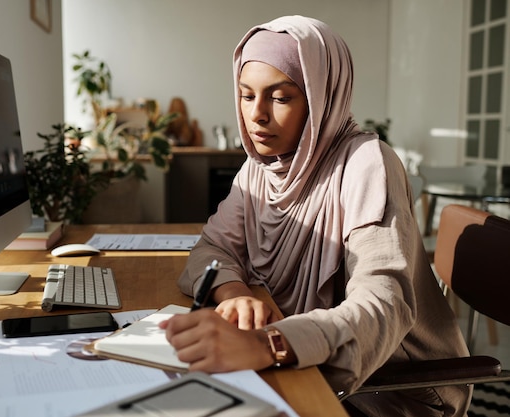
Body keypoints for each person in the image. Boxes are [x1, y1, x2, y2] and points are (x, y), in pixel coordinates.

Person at [159, 15, 471, 417]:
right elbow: (213, 247)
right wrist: (234, 293)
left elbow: (382, 304)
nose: (257, 115)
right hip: (297, 360)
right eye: (246, 95)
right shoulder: (261, 168)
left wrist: (266, 344)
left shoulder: (366, 164)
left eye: (281, 97)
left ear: (323, 97)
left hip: (389, 385)